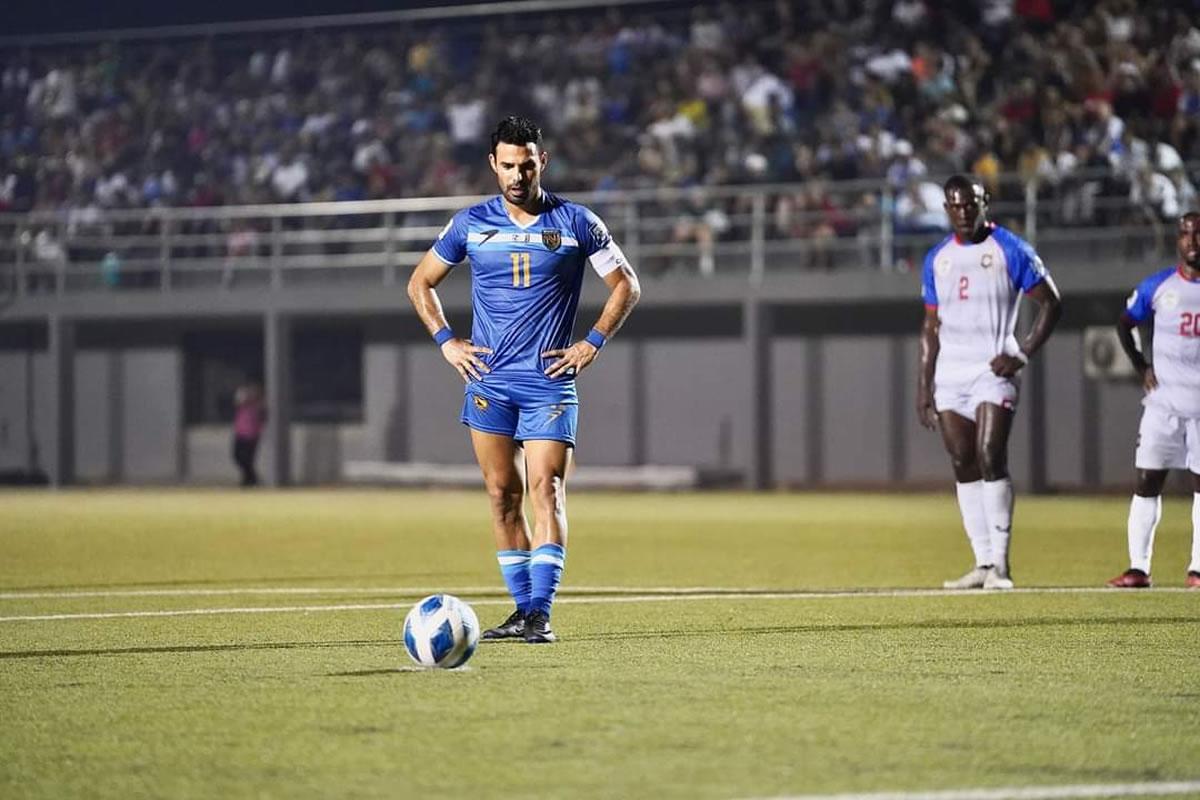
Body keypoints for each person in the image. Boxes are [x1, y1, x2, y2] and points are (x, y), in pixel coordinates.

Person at [406, 116, 641, 643]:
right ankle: (521, 611)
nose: (517, 174)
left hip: (548, 383)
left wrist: (591, 343)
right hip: (489, 382)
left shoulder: (578, 222)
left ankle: (542, 613)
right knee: (500, 495)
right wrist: (447, 341)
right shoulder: (468, 224)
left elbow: (626, 286)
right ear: (493, 164)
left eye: (526, 164)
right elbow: (420, 283)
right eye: (508, 165)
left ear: (543, 162)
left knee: (547, 489)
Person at [916, 174, 1062, 590]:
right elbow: (930, 327)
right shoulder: (937, 258)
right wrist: (923, 385)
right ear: (946, 208)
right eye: (956, 206)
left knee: (990, 452)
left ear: (985, 204)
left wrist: (1021, 353)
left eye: (971, 204)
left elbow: (1052, 303)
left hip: (992, 369)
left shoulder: (1010, 250)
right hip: (951, 373)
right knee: (963, 460)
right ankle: (981, 563)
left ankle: (1001, 566)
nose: (964, 212)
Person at [1107, 213, 1200, 589]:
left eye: (1198, 234)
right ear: (1177, 240)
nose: (1192, 241)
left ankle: (1198, 569)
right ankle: (1138, 568)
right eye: (1185, 234)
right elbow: (1124, 324)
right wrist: (1141, 365)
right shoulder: (1158, 286)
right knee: (1146, 481)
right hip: (1163, 404)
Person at [232, 384, 267, 487]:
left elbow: (263, 416)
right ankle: (251, 477)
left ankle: (248, 480)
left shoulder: (258, 406)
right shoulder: (243, 405)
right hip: (240, 433)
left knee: (248, 458)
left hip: (252, 435)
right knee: (237, 456)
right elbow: (237, 402)